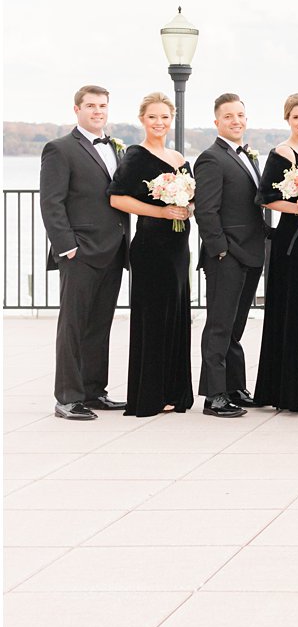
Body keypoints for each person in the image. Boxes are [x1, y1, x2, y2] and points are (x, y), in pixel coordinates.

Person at [40, 84, 130, 419]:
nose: (97, 111)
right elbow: (51, 203)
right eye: (90, 106)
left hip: (114, 250)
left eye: (102, 106)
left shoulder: (117, 149)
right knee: (73, 326)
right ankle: (67, 397)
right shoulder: (59, 149)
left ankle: (94, 391)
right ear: (76, 109)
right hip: (80, 253)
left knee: (99, 325)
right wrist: (67, 248)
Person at [107, 93, 194, 417]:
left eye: (165, 117)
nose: (159, 123)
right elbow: (117, 199)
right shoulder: (136, 156)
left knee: (177, 318)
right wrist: (161, 212)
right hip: (151, 248)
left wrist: (187, 207)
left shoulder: (179, 158)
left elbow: (191, 199)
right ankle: (150, 395)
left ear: (172, 120)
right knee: (154, 321)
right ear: (142, 119)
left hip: (177, 249)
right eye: (153, 117)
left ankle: (174, 392)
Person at [193, 93, 269, 418]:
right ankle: (214, 395)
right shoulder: (211, 158)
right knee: (219, 326)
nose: (236, 121)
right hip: (227, 256)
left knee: (236, 327)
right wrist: (220, 250)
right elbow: (206, 211)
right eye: (228, 116)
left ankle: (235, 387)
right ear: (217, 122)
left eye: (240, 115)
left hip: (251, 253)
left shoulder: (247, 156)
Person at [253, 93, 298, 413]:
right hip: (290, 241)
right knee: (289, 311)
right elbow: (264, 197)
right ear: (287, 119)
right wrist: (296, 208)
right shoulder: (280, 154)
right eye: (297, 117)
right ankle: (283, 390)